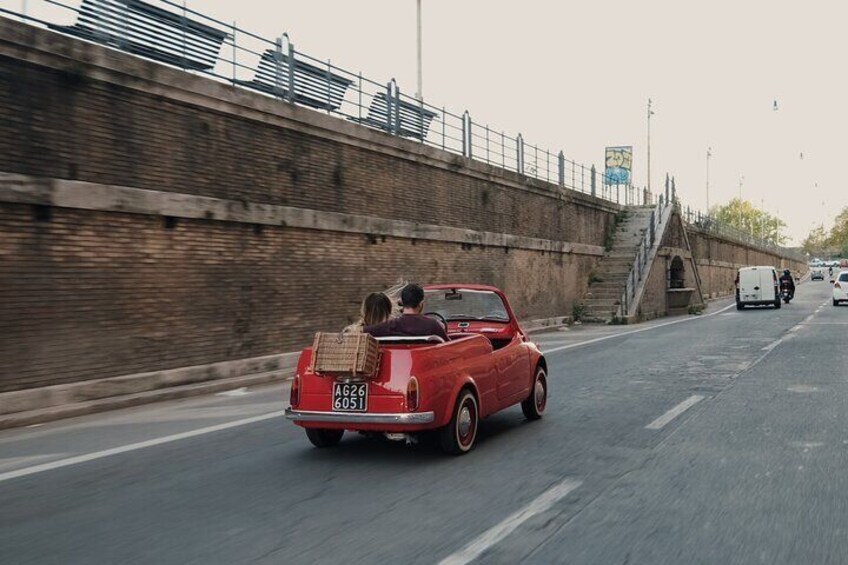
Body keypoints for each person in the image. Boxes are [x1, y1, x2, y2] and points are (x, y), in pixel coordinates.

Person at [365, 283, 449, 341]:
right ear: (421, 304)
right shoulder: (433, 325)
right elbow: (449, 346)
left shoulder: (389, 325)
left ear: (402, 302)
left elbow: (364, 331)